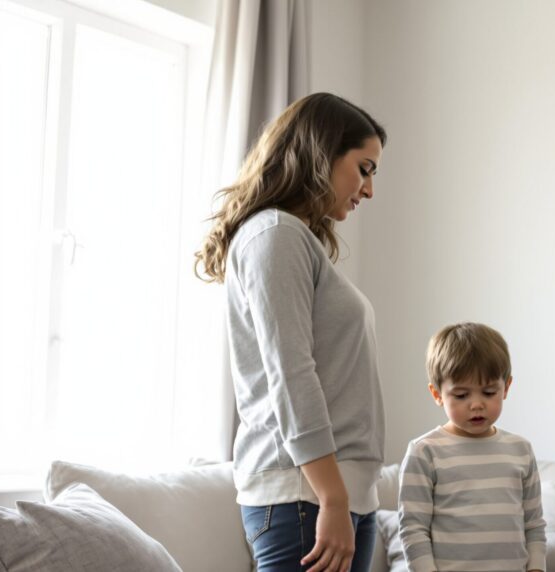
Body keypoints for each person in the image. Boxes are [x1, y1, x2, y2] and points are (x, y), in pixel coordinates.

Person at [194, 92, 388, 572]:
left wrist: (346, 496)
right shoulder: (273, 235)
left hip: (334, 492)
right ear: (322, 154)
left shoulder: (295, 239)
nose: (368, 189)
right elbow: (291, 375)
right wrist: (332, 499)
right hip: (305, 495)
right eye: (363, 168)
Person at [398, 323, 546, 572]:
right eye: (461, 395)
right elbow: (413, 529)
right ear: (437, 394)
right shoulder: (425, 451)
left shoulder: (520, 450)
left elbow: (534, 524)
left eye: (489, 392)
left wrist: (537, 568)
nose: (476, 405)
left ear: (506, 388)